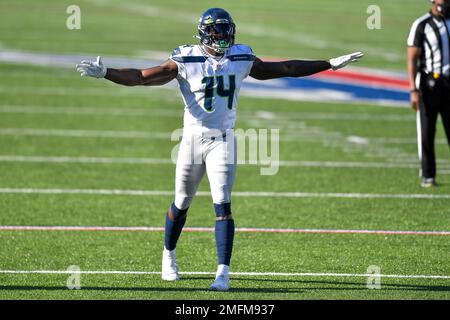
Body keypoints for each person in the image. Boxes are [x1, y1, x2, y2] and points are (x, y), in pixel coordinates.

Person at [76, 7, 363, 291]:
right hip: (190, 140)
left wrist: (328, 63)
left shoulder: (241, 56)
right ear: (204, 33)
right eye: (217, 31)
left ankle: (222, 273)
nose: (223, 37)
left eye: (226, 31)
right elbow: (141, 76)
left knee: (223, 205)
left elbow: (285, 68)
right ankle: (169, 255)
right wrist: (106, 73)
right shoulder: (186, 58)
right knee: (181, 202)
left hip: (223, 140)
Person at [407, 0, 450, 187]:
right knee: (426, 132)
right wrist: (413, 89)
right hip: (429, 85)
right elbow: (412, 59)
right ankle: (428, 175)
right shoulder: (422, 24)